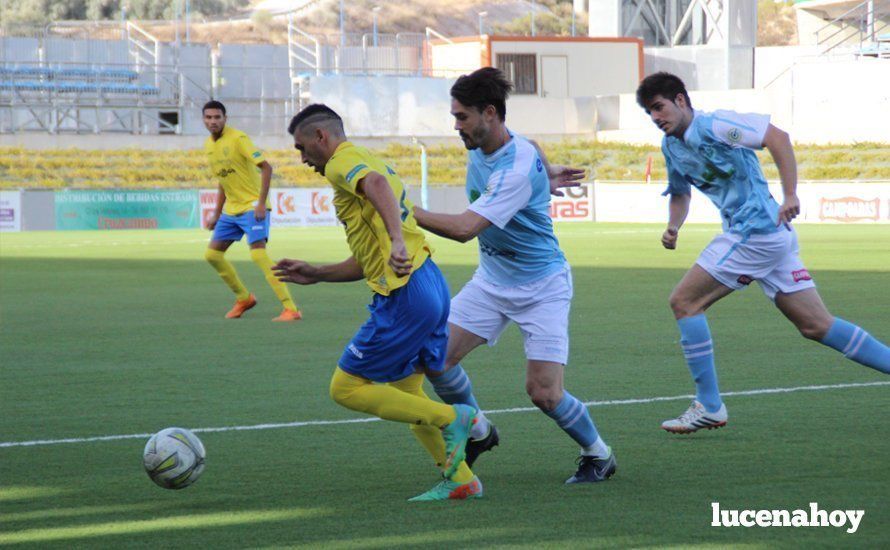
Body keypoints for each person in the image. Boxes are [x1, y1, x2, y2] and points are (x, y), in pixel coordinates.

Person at [635, 72, 890, 434]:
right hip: (770, 237)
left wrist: (790, 194)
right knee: (817, 325)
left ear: (680, 100)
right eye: (649, 113)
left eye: (659, 107)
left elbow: (777, 138)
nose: (656, 118)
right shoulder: (672, 147)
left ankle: (709, 405)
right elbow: (680, 192)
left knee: (684, 302)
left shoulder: (716, 125)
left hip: (754, 232)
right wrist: (674, 226)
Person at [412, 67, 616, 484]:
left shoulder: (515, 170)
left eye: (461, 117)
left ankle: (599, 454)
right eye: (454, 117)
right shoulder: (492, 141)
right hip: (491, 282)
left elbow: (466, 230)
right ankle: (479, 431)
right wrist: (549, 168)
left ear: (489, 113)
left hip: (542, 287)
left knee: (544, 393)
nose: (456, 126)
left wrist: (401, 210)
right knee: (433, 356)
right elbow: (530, 143)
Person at [273, 104, 481, 501]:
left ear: (322, 137)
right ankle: (461, 479)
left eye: (302, 148)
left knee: (346, 388)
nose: (302, 159)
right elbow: (367, 259)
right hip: (427, 283)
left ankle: (454, 417)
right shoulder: (368, 159)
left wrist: (398, 242)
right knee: (407, 392)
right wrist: (317, 272)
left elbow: (377, 188)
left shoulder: (342, 163)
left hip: (405, 294)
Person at [202, 100, 301, 321]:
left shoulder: (238, 139)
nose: (213, 121)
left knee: (258, 254)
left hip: (252, 207)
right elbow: (223, 181)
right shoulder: (209, 146)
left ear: (225, 119)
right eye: (208, 117)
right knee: (212, 255)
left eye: (217, 117)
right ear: (204, 120)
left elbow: (266, 167)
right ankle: (244, 298)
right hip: (231, 210)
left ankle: (291, 308)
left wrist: (260, 203)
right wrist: (217, 213)